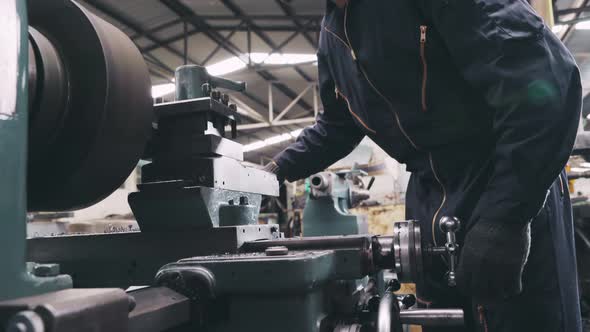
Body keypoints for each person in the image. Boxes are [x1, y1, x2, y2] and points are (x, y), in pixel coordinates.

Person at [263, 0, 583, 331]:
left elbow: (542, 82)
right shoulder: (333, 33)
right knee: (443, 320)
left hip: (502, 177)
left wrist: (506, 216)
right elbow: (337, 123)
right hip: (429, 197)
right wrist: (269, 172)